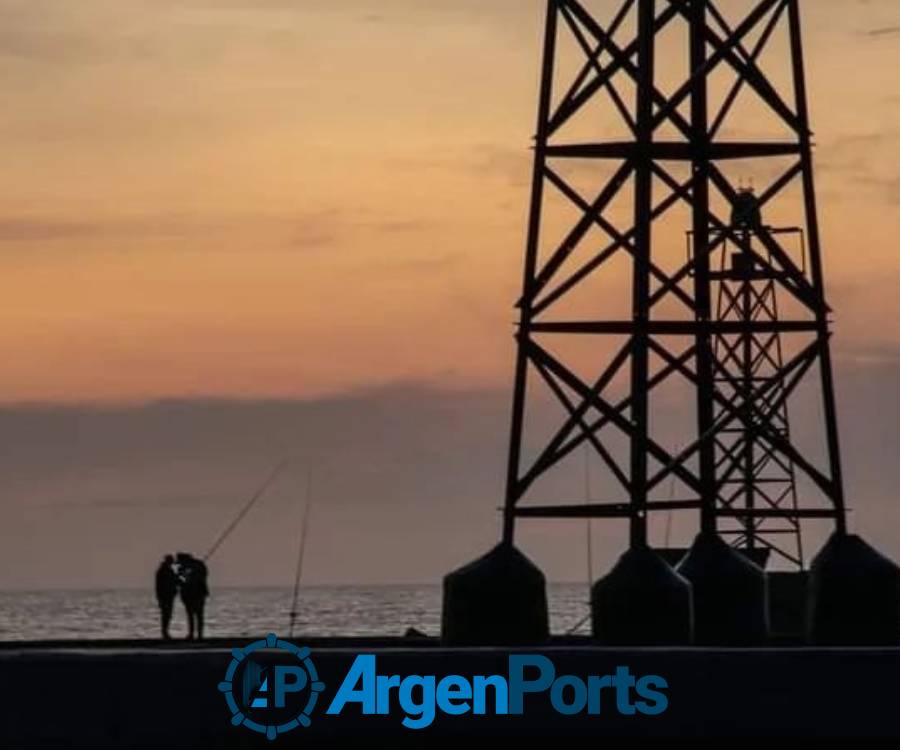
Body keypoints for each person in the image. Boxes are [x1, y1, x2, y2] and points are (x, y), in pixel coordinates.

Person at [176, 552, 210, 641]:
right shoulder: (198, 564)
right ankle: (196, 634)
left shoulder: (190, 566)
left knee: (195, 615)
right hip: (192, 594)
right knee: (195, 615)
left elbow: (181, 579)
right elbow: (180, 580)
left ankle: (197, 634)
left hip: (195, 593)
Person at [154, 554, 178, 640]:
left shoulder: (165, 570)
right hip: (166, 596)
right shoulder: (164, 571)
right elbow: (159, 586)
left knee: (167, 615)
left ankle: (165, 632)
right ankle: (165, 633)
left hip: (167, 596)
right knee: (166, 615)